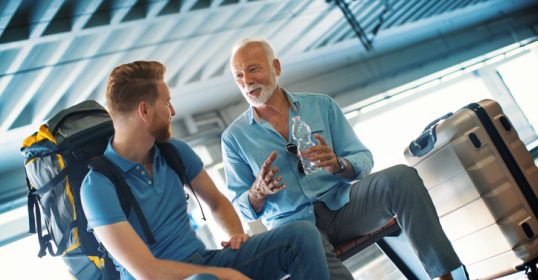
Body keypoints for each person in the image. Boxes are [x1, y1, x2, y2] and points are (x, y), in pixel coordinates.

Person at [221, 37, 463, 280]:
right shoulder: (233, 138)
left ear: (276, 67)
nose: (247, 81)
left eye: (253, 69)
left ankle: (443, 277)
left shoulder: (321, 105)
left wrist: (339, 164)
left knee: (401, 178)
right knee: (304, 248)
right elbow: (241, 207)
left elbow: (362, 158)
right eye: (238, 76)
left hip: (342, 205)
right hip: (295, 229)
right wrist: (258, 192)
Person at [80, 61, 330, 280]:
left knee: (302, 236)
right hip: (171, 276)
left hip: (203, 263)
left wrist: (235, 234)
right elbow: (148, 272)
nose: (173, 112)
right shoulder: (98, 186)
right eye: (167, 103)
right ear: (144, 110)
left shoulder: (173, 151)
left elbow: (218, 203)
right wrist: (227, 275)